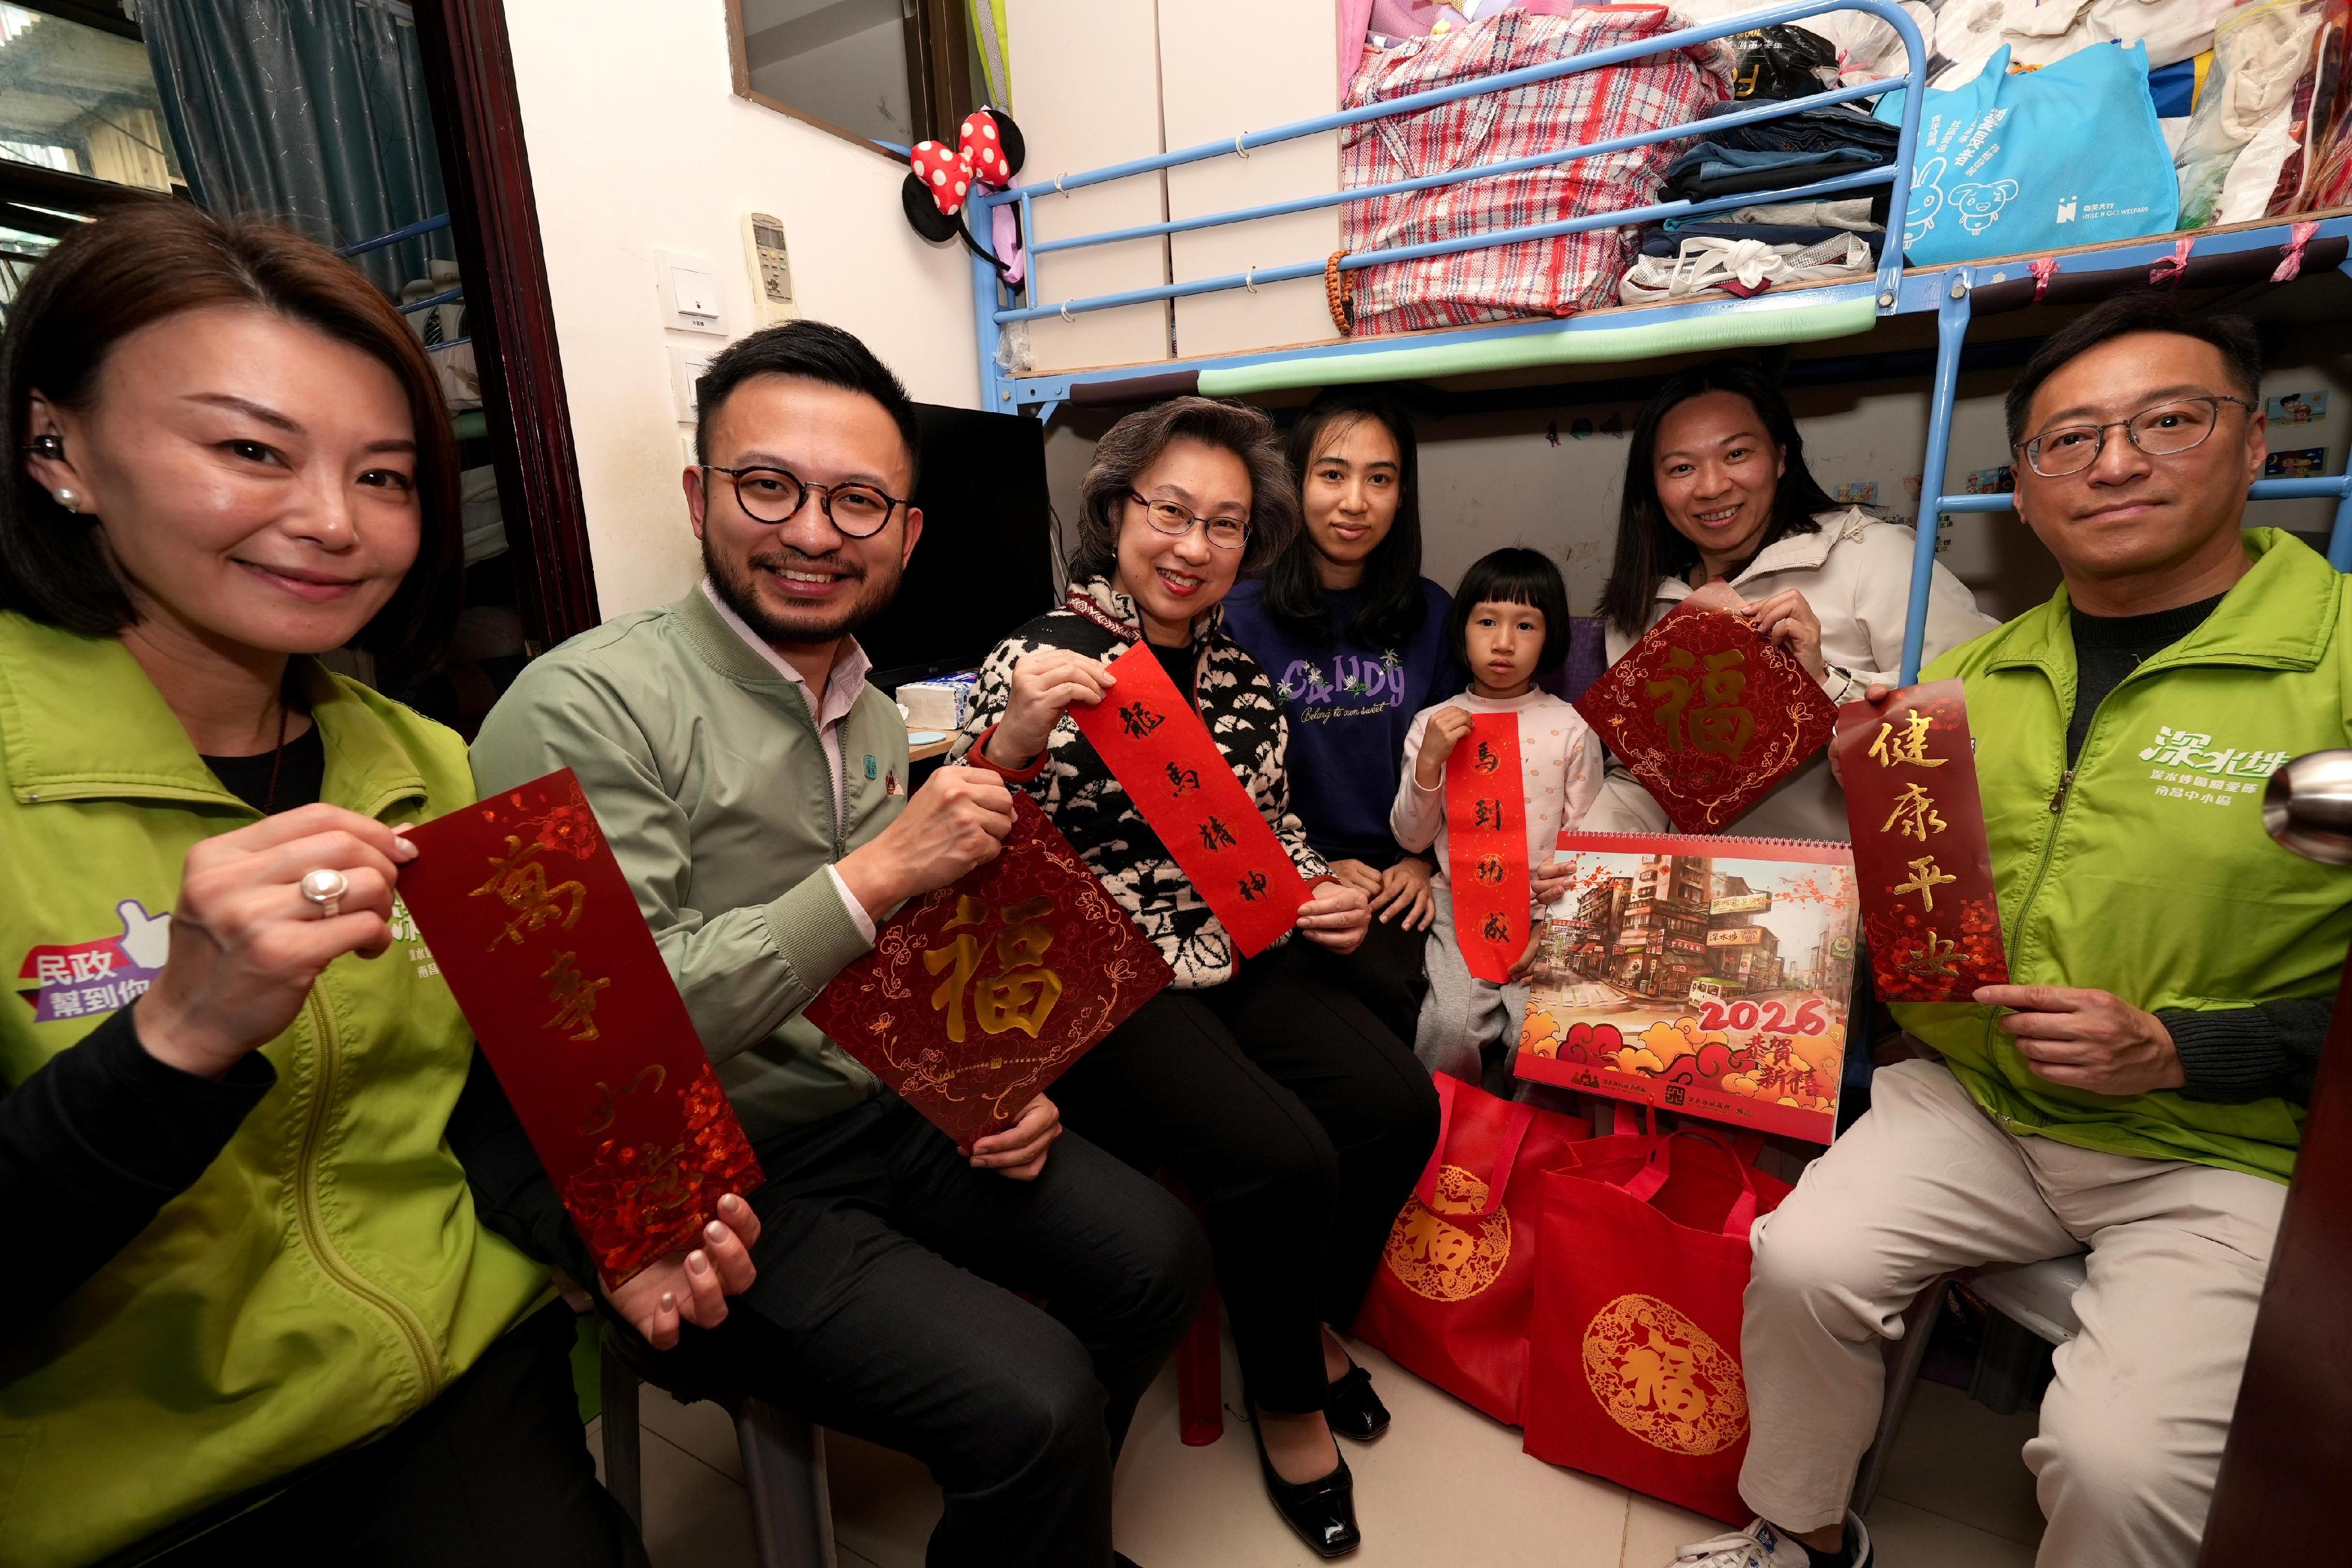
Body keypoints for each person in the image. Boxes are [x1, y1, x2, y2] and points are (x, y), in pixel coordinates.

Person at [467, 321, 1207, 1568]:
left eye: (858, 500)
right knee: (1031, 1395)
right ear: (702, 496)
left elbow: (900, 947)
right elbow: (601, 1033)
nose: (813, 532)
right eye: (770, 486)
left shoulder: (867, 707)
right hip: (704, 1177)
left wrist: (976, 1077)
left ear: (905, 532)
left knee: (1159, 1258)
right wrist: (873, 871)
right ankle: (1042, 1495)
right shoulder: (580, 705)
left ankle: (1036, 1529)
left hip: (877, 1112)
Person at [0, 205, 666, 1567]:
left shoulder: (426, 761)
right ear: (56, 447)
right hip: (125, 1483)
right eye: (250, 450)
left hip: (455, 1377)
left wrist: (616, 1229)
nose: (331, 525)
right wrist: (172, 1040)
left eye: (386, 476)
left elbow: (503, 1086)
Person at [1673, 293, 2346, 1568]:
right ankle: (1797, 1529)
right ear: (2024, 491)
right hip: (1978, 1098)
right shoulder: (1968, 686)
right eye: (2066, 440)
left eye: (2166, 420)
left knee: (2118, 1462)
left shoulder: (2338, 675)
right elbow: (1917, 918)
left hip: (2220, 1144)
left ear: (2252, 445)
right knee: (1800, 1258)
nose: (2113, 462)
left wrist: (2184, 1049)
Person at [954, 396, 1441, 1560]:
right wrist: (1011, 744)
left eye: (1222, 524)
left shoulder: (1235, 675)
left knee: (1396, 1106)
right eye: (1168, 510)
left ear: (1250, 543)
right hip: (1098, 973)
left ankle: (1309, 1317)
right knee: (1282, 1156)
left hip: (1227, 947)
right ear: (1118, 510)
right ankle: (1286, 1398)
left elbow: (1266, 841)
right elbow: (969, 860)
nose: (1189, 544)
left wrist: (1317, 891)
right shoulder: (1041, 654)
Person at [1589, 359, 1996, 840]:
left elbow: (1985, 716)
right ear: (1654, 488)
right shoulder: (1643, 606)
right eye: (1681, 467)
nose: (1712, 486)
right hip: (1702, 895)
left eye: (1737, 454)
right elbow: (1641, 780)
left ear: (1781, 457)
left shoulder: (1875, 555)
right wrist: (1581, 861)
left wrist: (1825, 683)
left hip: (1856, 896)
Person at [1221, 387, 1462, 1043]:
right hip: (1283, 871)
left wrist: (1421, 866)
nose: (1355, 502)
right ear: (1295, 484)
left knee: (1413, 995)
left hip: (1396, 876)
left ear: (1401, 495)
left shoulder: (1434, 614)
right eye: (1332, 474)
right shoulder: (1234, 619)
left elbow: (1459, 764)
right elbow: (1214, 788)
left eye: (1379, 479)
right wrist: (1307, 863)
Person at [1389, 549, 1603, 1084]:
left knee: (1541, 1038)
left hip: (1548, 911)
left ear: (1550, 638)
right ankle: (1437, 1139)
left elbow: (1591, 844)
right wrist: (1431, 761)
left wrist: (1557, 919)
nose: (1503, 641)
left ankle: (1523, 1147)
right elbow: (1410, 835)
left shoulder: (1571, 727)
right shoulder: (1432, 724)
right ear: (1462, 631)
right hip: (1458, 902)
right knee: (1449, 1024)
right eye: (1487, 621)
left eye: (1525, 625)